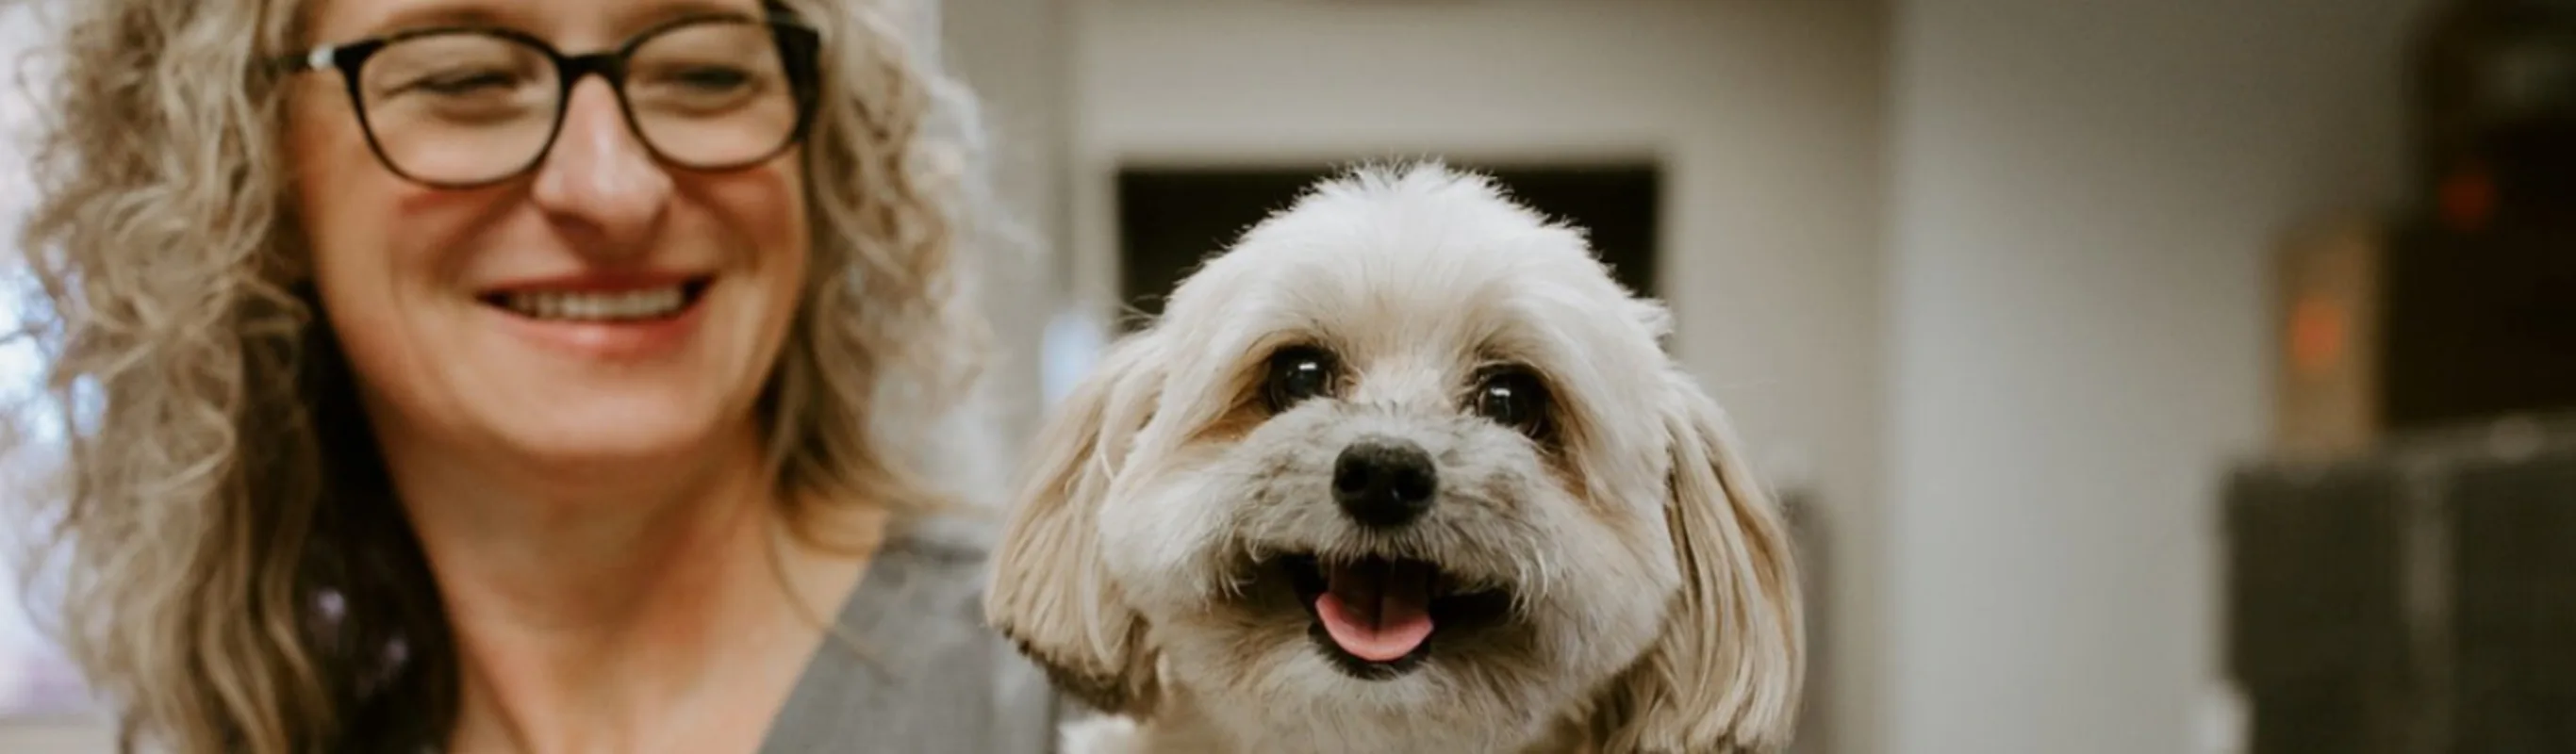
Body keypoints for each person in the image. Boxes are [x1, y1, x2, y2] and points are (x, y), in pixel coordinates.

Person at [4, 0, 1046, 751]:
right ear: (249, 181)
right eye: (463, 80)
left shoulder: (1078, 698)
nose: (613, 188)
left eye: (704, 73)